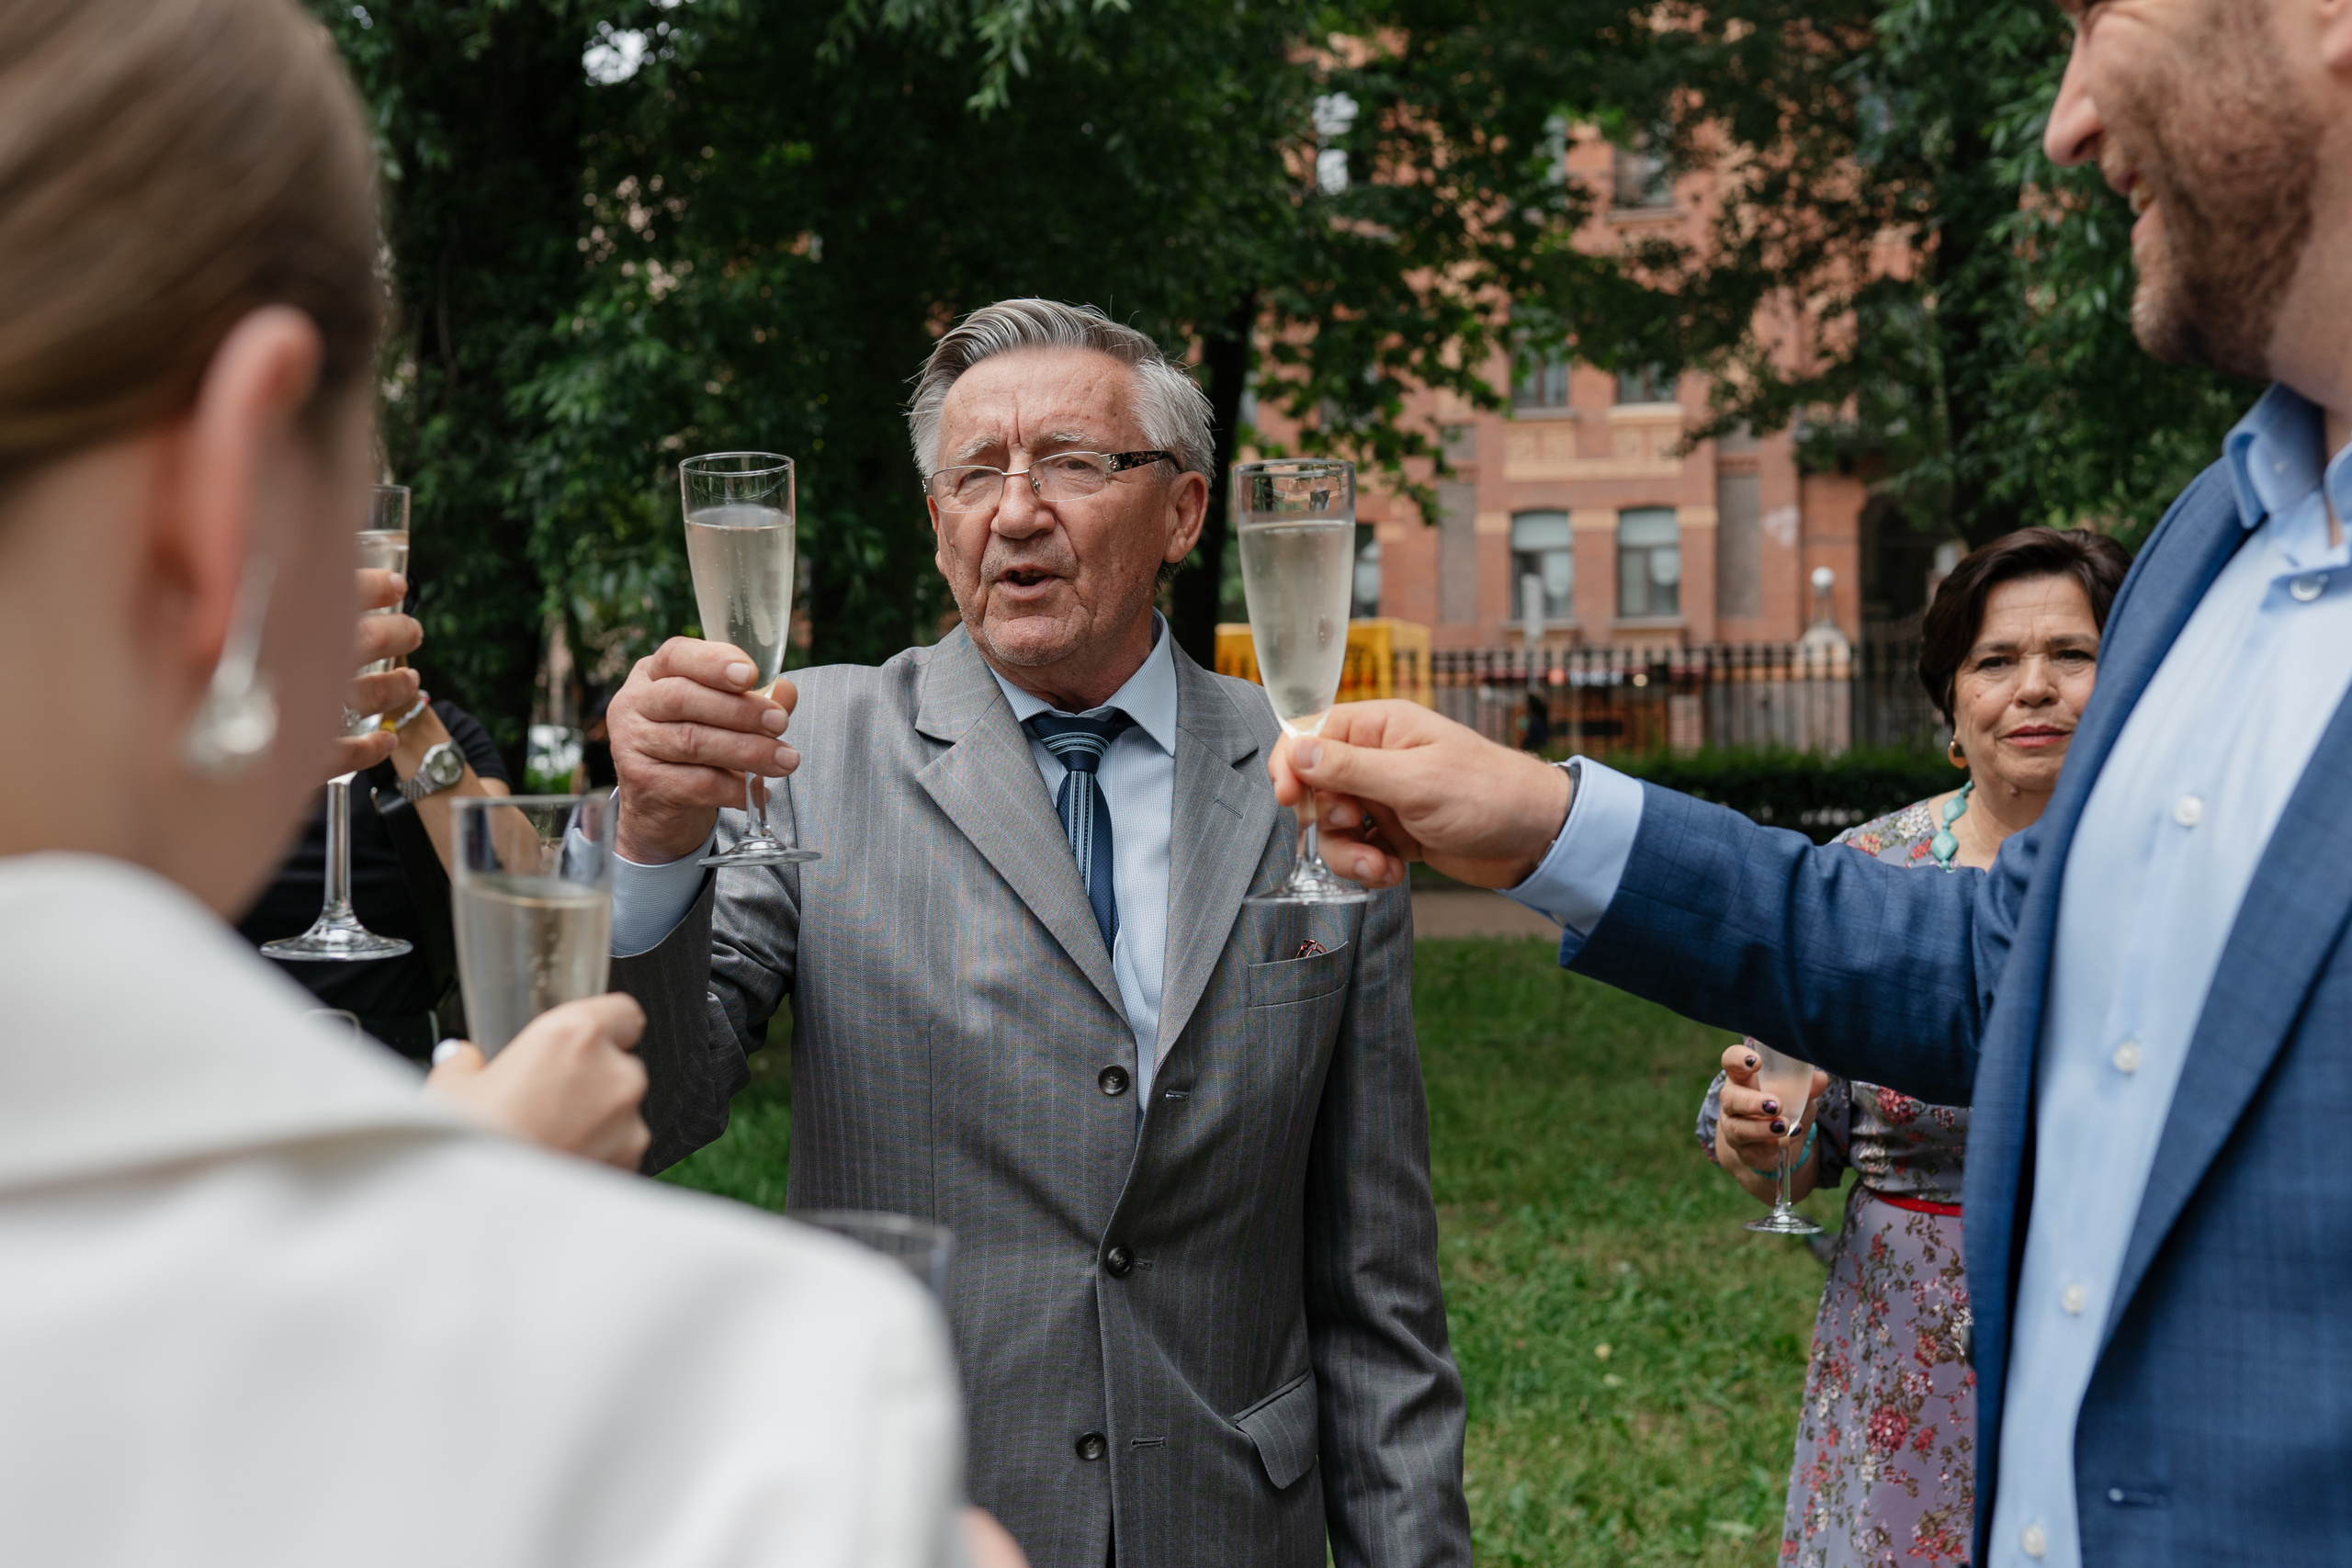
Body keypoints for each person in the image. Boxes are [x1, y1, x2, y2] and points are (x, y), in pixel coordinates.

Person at [1272, 3, 2352, 1557]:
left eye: (2096, 18)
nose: (2066, 119)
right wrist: (1538, 821)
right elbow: (2005, 963)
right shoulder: (2216, 539)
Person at [0, 1, 969, 1562]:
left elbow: (512, 885)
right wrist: (465, 1246)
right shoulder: (760, 1419)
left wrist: (410, 733)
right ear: (229, 486)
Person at [603, 299, 1470, 1567]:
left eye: (1070, 462)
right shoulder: (806, 750)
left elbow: (1377, 1281)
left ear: (1181, 510)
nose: (1015, 510)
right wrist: (652, 844)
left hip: (1227, 1521)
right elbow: (652, 1106)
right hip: (915, 1515)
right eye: (972, 474)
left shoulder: (1317, 787)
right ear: (938, 516)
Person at [1701, 528, 2128, 1568]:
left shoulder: (2182, 866)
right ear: (1952, 705)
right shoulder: (1867, 874)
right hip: (1905, 1356)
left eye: (2071, 654)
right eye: (1994, 662)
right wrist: (1766, 1150)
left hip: (2123, 1325)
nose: (2033, 688)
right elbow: (1799, 1147)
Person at [239, 693, 512, 1057]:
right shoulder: (215, 729)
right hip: (222, 1060)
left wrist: (406, 715)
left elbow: (510, 886)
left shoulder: (438, 727)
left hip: (398, 1065)